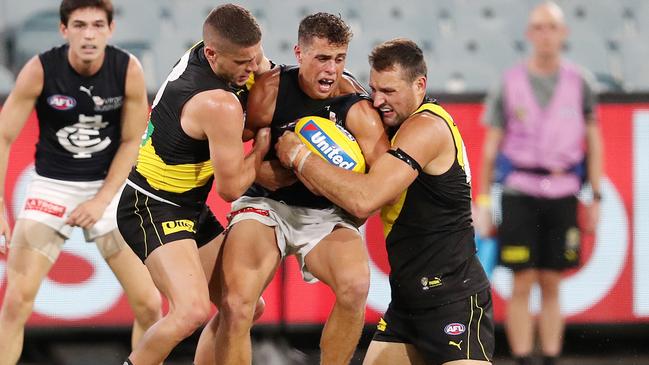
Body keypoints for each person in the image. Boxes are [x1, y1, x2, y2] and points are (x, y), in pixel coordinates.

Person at [276, 38, 494, 365]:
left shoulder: (427, 127)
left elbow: (365, 200)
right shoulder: (394, 126)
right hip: (407, 305)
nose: (378, 101)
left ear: (420, 85)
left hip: (454, 302)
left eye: (389, 92)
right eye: (375, 89)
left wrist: (300, 156)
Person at [208, 12, 390, 365]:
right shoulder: (269, 91)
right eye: (322, 58)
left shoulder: (358, 109)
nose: (331, 70)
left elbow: (378, 190)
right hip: (267, 204)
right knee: (236, 303)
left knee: (355, 286)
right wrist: (266, 172)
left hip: (324, 213)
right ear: (299, 54)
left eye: (339, 60)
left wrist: (319, 174)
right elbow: (232, 160)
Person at [0, 1, 162, 364]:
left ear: (110, 29)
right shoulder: (41, 69)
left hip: (108, 188)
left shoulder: (127, 70)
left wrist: (100, 201)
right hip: (50, 188)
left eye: (96, 25)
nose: (88, 34)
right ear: (64, 30)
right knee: (15, 302)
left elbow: (131, 142)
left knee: (151, 306)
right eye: (79, 25)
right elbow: (3, 136)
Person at [115, 4, 272, 365]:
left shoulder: (205, 53)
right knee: (190, 311)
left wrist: (258, 67)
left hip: (187, 205)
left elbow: (264, 68)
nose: (252, 70)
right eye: (242, 63)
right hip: (150, 205)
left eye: (254, 57)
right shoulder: (217, 102)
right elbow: (230, 189)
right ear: (213, 53)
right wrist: (261, 148)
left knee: (244, 305)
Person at [474, 2, 603, 365]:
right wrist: (482, 203)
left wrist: (596, 197)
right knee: (522, 281)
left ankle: (549, 357)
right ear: (529, 35)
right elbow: (489, 150)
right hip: (519, 193)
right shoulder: (509, 83)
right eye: (539, 27)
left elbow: (594, 142)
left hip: (563, 194)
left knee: (552, 281)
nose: (545, 34)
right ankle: (521, 358)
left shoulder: (580, 83)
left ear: (564, 33)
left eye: (552, 27)